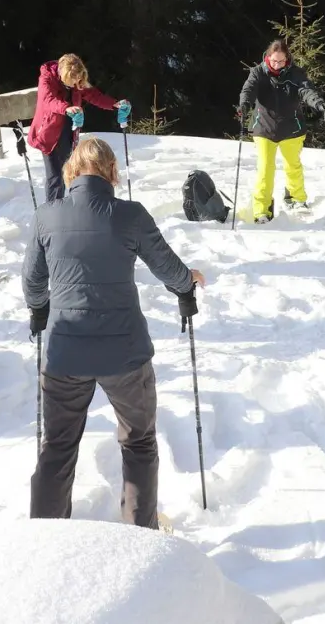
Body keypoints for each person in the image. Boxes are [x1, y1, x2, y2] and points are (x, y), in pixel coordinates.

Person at [23, 136, 204, 527]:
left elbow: (32, 283)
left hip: (64, 354)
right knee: (139, 442)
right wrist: (187, 286)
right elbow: (168, 267)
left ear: (70, 171)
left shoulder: (46, 216)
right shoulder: (130, 215)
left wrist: (39, 311)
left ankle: (43, 538)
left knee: (57, 447)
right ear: (111, 172)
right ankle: (140, 537)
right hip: (124, 353)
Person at [237, 40, 325, 223]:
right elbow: (249, 89)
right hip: (264, 127)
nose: (277, 65)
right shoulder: (258, 72)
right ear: (268, 57)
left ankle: (296, 199)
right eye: (274, 61)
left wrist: (318, 103)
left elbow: (306, 90)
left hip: (291, 127)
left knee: (292, 165)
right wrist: (244, 104)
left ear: (287, 59)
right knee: (265, 169)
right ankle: (262, 209)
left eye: (281, 61)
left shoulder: (296, 73)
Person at [27, 54, 129, 202]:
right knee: (56, 177)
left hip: (69, 129)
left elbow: (94, 95)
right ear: (62, 74)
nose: (75, 84)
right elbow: (48, 100)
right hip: (48, 132)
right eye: (71, 81)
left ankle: (74, 207)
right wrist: (67, 108)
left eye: (77, 81)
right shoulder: (47, 78)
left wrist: (114, 104)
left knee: (72, 172)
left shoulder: (78, 81)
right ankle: (53, 213)